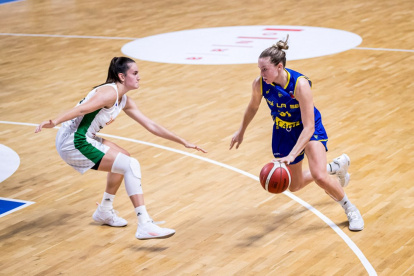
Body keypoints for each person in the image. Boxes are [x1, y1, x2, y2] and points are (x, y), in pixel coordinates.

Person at [35, 57, 207, 240]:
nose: (139, 77)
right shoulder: (108, 93)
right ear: (122, 76)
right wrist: (54, 121)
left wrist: (183, 141)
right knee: (130, 165)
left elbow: (151, 125)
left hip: (84, 137)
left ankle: (104, 211)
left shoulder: (123, 99)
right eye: (135, 73)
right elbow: (81, 110)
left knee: (123, 157)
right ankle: (144, 224)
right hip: (73, 142)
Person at [229, 36, 364, 231]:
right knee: (294, 185)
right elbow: (253, 106)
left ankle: (350, 209)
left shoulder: (300, 85)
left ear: (280, 67)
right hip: (283, 130)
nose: (261, 73)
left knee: (319, 176)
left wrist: (293, 154)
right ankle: (334, 166)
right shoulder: (259, 84)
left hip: (307, 127)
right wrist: (241, 130)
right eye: (260, 69)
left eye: (265, 69)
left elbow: (308, 127)